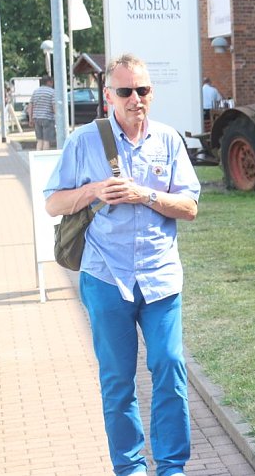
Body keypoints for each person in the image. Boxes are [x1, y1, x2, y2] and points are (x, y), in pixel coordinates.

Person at [44, 54, 201, 476]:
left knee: (169, 366)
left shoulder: (168, 140)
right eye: (126, 91)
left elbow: (189, 207)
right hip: (105, 277)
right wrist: (95, 190)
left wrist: (145, 195)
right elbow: (53, 202)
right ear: (109, 95)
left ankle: (171, 467)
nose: (136, 99)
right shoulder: (84, 141)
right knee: (117, 380)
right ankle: (129, 467)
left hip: (159, 277)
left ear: (152, 93)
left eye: (142, 90)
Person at [29, 75, 56, 150]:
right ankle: (45, 155)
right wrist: (57, 117)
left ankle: (38, 154)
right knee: (46, 141)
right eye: (52, 82)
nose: (52, 84)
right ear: (49, 82)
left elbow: (30, 106)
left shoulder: (36, 92)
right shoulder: (52, 92)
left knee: (39, 140)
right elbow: (54, 106)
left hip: (37, 118)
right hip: (48, 118)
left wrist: (30, 118)